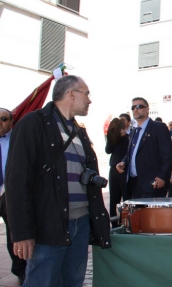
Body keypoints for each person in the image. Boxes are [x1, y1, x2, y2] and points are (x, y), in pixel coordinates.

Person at [5, 75, 111, 287]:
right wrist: (22, 232)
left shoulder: (78, 131)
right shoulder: (33, 123)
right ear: (71, 94)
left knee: (72, 283)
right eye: (86, 94)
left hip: (80, 225)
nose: (89, 100)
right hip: (48, 226)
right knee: (42, 282)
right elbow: (17, 181)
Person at [116, 97, 172, 198]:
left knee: (152, 214)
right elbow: (131, 152)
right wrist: (123, 162)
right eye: (133, 107)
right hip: (134, 184)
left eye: (139, 106)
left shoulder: (158, 127)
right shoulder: (134, 131)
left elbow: (168, 154)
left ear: (147, 109)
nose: (135, 109)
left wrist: (162, 176)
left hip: (153, 183)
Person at [0, 108, 26, 285]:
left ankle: (20, 269)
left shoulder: (18, 140)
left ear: (11, 121)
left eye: (3, 119)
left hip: (8, 193)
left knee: (14, 233)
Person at [105, 115, 130, 228]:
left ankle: (126, 221)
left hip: (124, 169)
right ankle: (114, 223)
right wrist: (114, 137)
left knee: (126, 197)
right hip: (114, 169)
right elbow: (108, 150)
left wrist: (124, 137)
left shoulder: (128, 137)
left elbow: (127, 152)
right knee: (114, 197)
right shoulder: (114, 138)